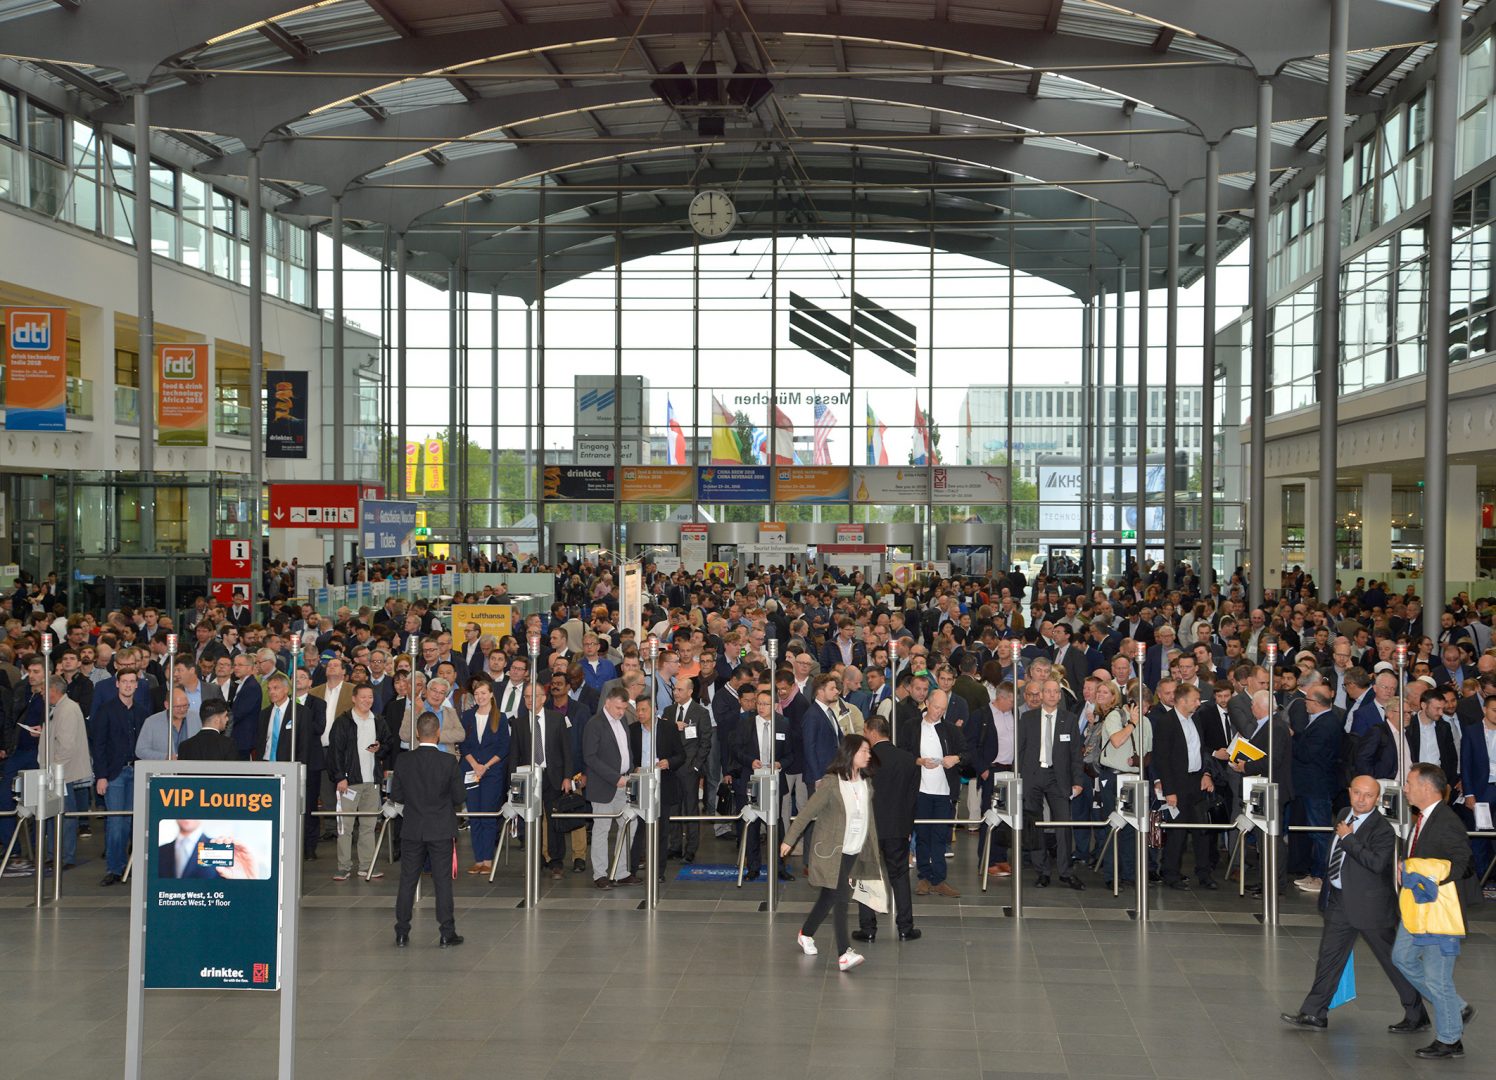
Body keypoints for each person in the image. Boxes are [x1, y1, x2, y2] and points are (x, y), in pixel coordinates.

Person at [1280, 775, 1426, 1032]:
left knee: (1394, 961)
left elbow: (1376, 863)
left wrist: (1349, 839)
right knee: (1329, 957)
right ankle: (1314, 1013)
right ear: (1349, 792)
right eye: (1357, 793)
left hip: (1372, 908)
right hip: (1340, 900)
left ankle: (1417, 1014)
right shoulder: (1345, 813)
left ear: (1378, 799)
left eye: (1368, 796)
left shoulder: (1382, 829)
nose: (1361, 799)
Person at [780, 734, 886, 972]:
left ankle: (805, 933)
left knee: (828, 896)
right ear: (850, 753)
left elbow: (867, 817)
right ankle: (844, 953)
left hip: (855, 848)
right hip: (832, 850)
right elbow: (808, 812)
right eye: (863, 751)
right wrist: (789, 839)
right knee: (840, 897)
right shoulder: (831, 783)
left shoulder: (865, 783)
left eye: (868, 751)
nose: (868, 755)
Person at [1392, 762, 1476, 1059]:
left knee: (1437, 977)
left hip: (1439, 911)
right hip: (1419, 909)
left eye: (1409, 783)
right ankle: (1457, 1007)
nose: (1405, 788)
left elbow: (1463, 863)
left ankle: (1450, 1039)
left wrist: (1422, 874)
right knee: (1401, 957)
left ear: (1427, 788)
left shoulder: (1447, 820)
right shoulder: (1425, 816)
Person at [391, 711, 466, 948]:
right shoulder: (448, 761)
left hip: (412, 827)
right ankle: (447, 932)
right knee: (442, 882)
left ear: (416, 733)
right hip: (441, 828)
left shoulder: (404, 761)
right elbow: (458, 797)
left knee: (407, 881)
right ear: (438, 733)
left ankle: (402, 932)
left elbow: (396, 795)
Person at [854, 714, 919, 943]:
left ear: (872, 731)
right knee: (899, 875)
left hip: (868, 828)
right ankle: (905, 927)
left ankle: (868, 928)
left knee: (867, 875)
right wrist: (908, 826)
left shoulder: (865, 760)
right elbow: (912, 798)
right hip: (898, 827)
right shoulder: (908, 759)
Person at [1017, 676, 1086, 889]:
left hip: (1059, 778)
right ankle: (1042, 871)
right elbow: (1019, 751)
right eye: (1048, 691)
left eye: (1056, 692)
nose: (1052, 695)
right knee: (1034, 824)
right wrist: (1018, 777)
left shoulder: (1070, 719)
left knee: (1063, 824)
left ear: (1059, 695)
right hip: (1032, 775)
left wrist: (1078, 781)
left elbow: (1076, 754)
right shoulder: (1027, 718)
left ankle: (1065, 872)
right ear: (1041, 694)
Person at [898, 686, 965, 898]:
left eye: (943, 709)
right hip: (920, 789)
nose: (939, 712)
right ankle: (924, 877)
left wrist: (956, 759)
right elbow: (901, 753)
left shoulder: (951, 730)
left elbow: (967, 753)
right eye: (936, 707)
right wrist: (918, 761)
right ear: (926, 703)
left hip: (944, 792)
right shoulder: (911, 727)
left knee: (940, 836)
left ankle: (939, 879)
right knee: (923, 835)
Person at [328, 684, 393, 882]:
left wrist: (380, 748)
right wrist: (340, 777)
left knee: (368, 826)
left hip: (371, 782)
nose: (367, 700)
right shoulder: (343, 722)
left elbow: (388, 743)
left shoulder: (378, 720)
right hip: (349, 782)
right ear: (354, 698)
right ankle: (343, 866)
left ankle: (366, 866)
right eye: (363, 697)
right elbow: (335, 752)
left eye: (370, 697)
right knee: (345, 827)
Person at [581, 686, 638, 889]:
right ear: (607, 702)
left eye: (623, 708)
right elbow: (590, 757)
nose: (621, 712)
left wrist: (630, 771)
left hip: (625, 783)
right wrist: (615, 778)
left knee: (629, 825)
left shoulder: (622, 720)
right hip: (604, 786)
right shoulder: (594, 724)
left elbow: (626, 750)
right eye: (617, 708)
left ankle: (621, 871)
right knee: (602, 830)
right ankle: (600, 874)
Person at [457, 677, 508, 874]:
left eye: (483, 693)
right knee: (474, 816)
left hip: (492, 772)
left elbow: (504, 747)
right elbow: (464, 744)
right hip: (470, 770)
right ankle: (478, 859)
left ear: (491, 695)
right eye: (477, 694)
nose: (480, 697)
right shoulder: (468, 716)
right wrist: (475, 765)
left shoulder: (500, 718)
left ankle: (488, 859)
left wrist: (485, 766)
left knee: (487, 815)